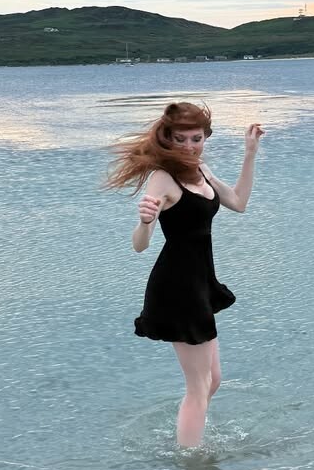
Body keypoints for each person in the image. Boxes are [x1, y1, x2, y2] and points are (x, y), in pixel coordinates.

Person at [103, 101, 264, 448]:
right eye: (180, 139)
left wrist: (250, 153)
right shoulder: (162, 178)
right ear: (168, 139)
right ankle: (192, 462)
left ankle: (187, 435)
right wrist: (145, 221)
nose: (189, 147)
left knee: (213, 380)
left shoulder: (201, 170)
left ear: (205, 137)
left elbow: (238, 202)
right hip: (177, 288)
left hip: (200, 282)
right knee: (199, 386)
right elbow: (140, 245)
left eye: (196, 139)